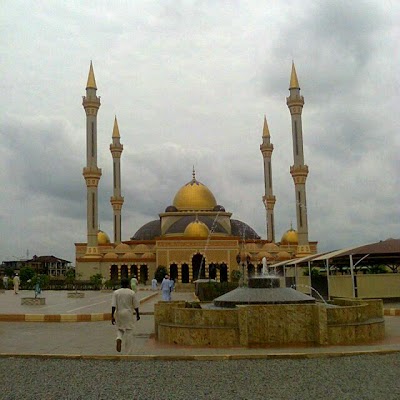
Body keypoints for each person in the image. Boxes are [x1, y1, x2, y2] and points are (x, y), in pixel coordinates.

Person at [111, 277, 140, 353]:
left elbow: (113, 305)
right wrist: (137, 314)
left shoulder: (116, 292)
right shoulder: (131, 293)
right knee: (129, 331)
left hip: (119, 312)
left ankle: (119, 338)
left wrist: (112, 316)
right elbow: (136, 305)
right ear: (128, 284)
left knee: (119, 328)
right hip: (128, 313)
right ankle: (128, 352)